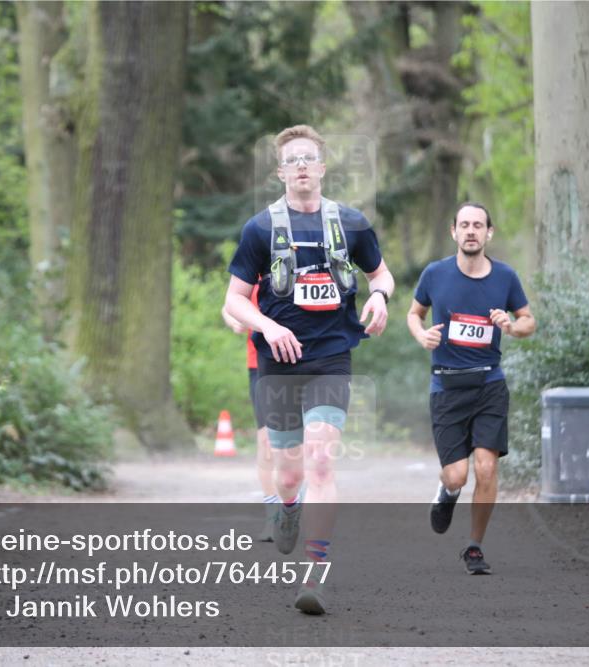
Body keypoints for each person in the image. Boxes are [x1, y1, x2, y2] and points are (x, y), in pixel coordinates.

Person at [224, 124, 394, 614]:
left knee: (321, 461)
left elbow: (380, 274)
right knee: (289, 473)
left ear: (322, 168)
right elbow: (234, 300)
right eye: (292, 160)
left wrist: (380, 296)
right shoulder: (260, 229)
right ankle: (287, 507)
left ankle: (314, 578)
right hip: (277, 364)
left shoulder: (352, 224)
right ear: (280, 172)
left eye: (309, 159)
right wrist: (267, 327)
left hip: (331, 359)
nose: (301, 166)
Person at [406, 202, 535, 575]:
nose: (471, 231)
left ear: (488, 233)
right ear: (454, 232)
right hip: (446, 384)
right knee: (457, 475)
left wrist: (511, 326)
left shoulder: (505, 277)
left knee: (486, 467)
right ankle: (447, 493)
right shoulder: (435, 274)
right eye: (464, 225)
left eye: (478, 225)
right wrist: (422, 334)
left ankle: (474, 546)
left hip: (489, 383)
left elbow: (529, 321)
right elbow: (414, 313)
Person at [220, 284, 277, 542]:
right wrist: (233, 319)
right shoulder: (253, 262)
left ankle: (301, 504)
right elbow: (229, 305)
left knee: (301, 440)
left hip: (303, 360)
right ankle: (274, 516)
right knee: (266, 439)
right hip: (260, 363)